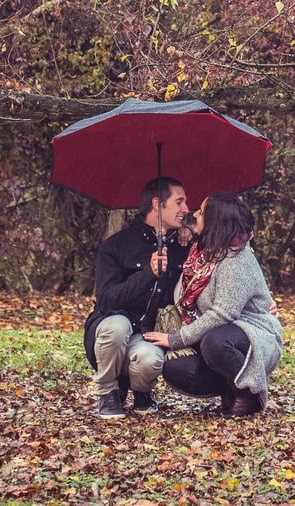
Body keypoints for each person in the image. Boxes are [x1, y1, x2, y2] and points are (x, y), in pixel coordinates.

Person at [145, 191, 283, 417]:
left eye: (202, 212)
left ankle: (250, 394)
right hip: (215, 334)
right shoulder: (202, 252)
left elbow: (222, 314)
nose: (195, 213)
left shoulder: (236, 259)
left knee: (215, 341)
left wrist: (176, 339)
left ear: (214, 222)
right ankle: (230, 388)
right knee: (175, 368)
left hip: (252, 334)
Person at [85, 176, 191, 419]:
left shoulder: (182, 246)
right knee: (118, 325)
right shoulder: (116, 246)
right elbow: (106, 301)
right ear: (157, 203)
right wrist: (148, 274)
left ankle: (141, 390)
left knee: (151, 360)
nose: (186, 209)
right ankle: (108, 392)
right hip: (108, 333)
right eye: (179, 202)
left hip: (144, 335)